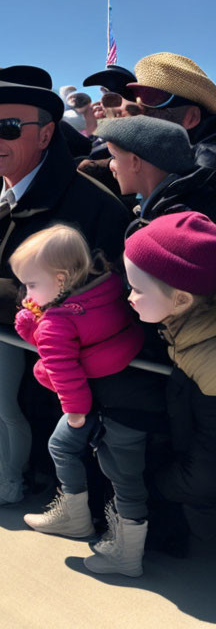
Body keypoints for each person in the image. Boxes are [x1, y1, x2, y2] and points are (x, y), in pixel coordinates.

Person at [0, 65, 130, 506]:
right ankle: (0, 469)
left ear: (47, 135)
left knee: (8, 401)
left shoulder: (89, 204)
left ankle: (21, 479)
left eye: (9, 128)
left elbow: (89, 292)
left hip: (48, 347)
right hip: (1, 325)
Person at [9, 228, 147, 554]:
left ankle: (78, 520)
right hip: (120, 381)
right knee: (117, 469)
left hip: (89, 401)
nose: (26, 294)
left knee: (65, 447)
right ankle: (83, 519)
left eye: (31, 285)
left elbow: (61, 365)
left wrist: (74, 411)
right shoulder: (107, 285)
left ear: (60, 279)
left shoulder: (57, 321)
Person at [124, 212, 216, 544]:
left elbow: (207, 473)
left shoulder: (210, 364)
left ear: (180, 300)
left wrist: (155, 483)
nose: (129, 298)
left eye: (136, 289)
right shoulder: (189, 330)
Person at [97, 115, 216, 229]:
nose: (111, 166)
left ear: (135, 162)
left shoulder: (176, 224)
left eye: (114, 157)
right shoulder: (175, 204)